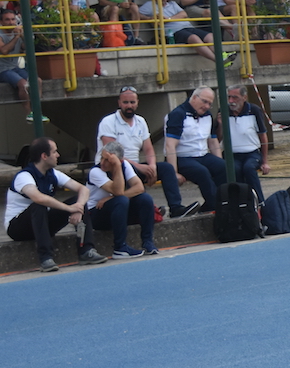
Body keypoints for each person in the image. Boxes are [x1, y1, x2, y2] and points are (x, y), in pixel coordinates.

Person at [5, 137, 108, 272]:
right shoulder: (24, 176)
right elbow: (38, 198)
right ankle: (46, 258)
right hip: (18, 228)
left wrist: (78, 207)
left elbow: (83, 189)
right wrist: (69, 208)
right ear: (44, 156)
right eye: (54, 152)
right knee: (39, 205)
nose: (58, 155)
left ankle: (86, 251)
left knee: (77, 200)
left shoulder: (53, 174)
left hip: (42, 224)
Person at [97, 86, 201, 219]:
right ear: (119, 103)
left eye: (132, 102)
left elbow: (148, 148)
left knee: (166, 168)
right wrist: (140, 167)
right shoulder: (108, 122)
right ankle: (149, 210)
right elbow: (111, 154)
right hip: (114, 168)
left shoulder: (140, 121)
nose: (129, 106)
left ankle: (176, 209)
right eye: (125, 102)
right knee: (127, 170)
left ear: (137, 103)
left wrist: (152, 167)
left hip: (134, 167)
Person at [88, 141, 157, 258]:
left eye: (107, 160)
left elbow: (139, 187)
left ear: (119, 161)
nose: (102, 162)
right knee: (122, 200)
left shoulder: (125, 165)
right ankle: (120, 248)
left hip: (115, 210)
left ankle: (148, 242)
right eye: (102, 158)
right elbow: (118, 192)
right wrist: (117, 167)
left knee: (145, 199)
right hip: (95, 214)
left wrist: (110, 198)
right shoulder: (95, 171)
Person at [164, 87, 226, 213]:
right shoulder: (178, 114)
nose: (207, 106)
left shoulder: (208, 115)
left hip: (202, 154)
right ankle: (216, 206)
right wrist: (174, 172)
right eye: (204, 101)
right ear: (194, 98)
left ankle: (218, 202)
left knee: (224, 167)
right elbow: (170, 145)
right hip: (182, 156)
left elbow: (213, 141)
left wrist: (218, 163)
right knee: (202, 172)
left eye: (209, 103)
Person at [226, 85, 270, 203]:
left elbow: (263, 135)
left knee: (249, 168)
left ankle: (260, 201)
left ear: (244, 97)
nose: (231, 101)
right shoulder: (224, 111)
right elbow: (217, 137)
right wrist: (220, 124)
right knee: (235, 169)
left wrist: (265, 162)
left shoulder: (254, 110)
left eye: (235, 97)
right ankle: (241, 202)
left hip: (252, 152)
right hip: (232, 154)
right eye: (229, 97)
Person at [1, 9, 45, 123]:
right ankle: (29, 113)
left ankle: (37, 112)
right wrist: (16, 37)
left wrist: (23, 37)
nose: (11, 22)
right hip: (2, 69)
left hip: (15, 67)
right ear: (1, 22)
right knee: (23, 84)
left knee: (37, 81)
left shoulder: (17, 32)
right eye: (7, 20)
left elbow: (26, 48)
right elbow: (4, 50)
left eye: (13, 19)